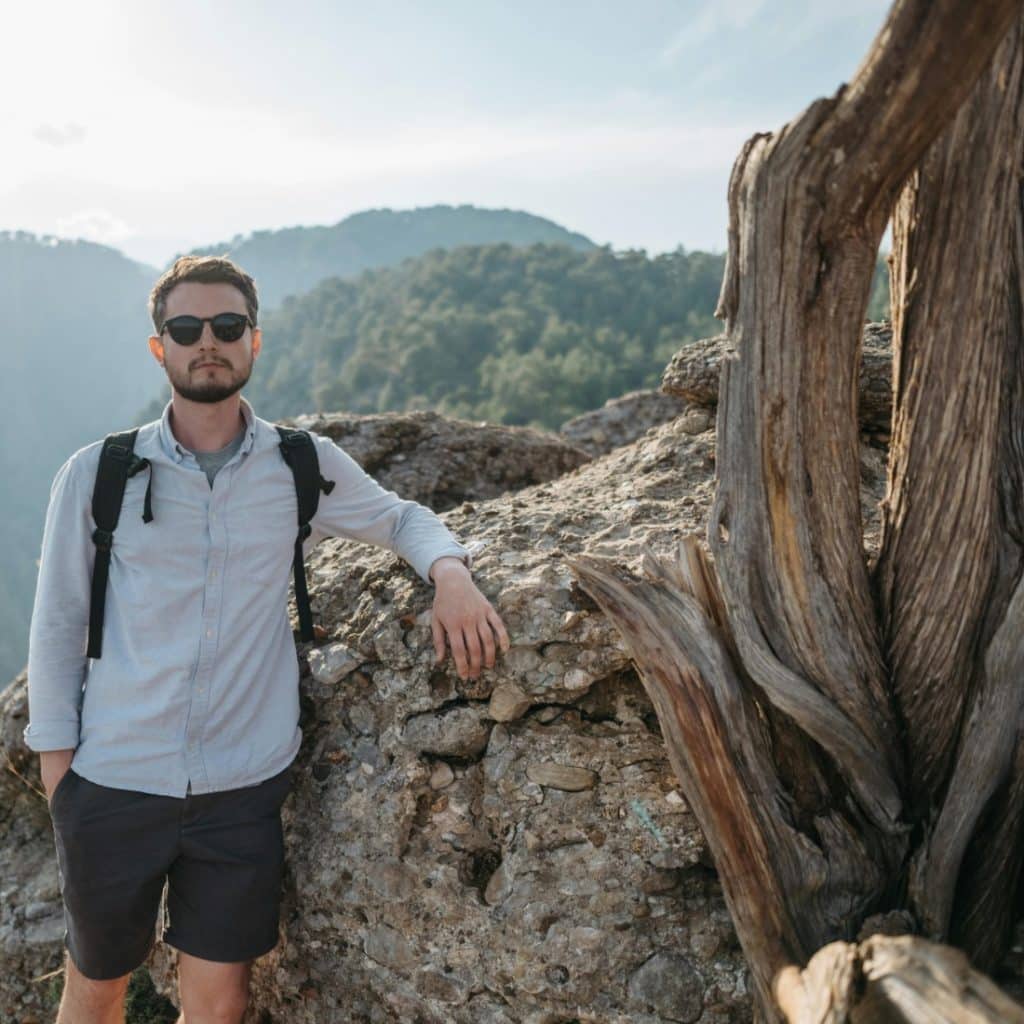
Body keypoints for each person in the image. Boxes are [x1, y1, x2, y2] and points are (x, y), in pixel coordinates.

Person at [24, 254, 510, 1024]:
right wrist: (64, 787)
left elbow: (400, 518)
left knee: (218, 1008)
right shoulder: (99, 473)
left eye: (227, 326)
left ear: (256, 340)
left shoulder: (297, 463)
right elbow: (55, 625)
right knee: (97, 990)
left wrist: (452, 576)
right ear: (161, 347)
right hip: (114, 779)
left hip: (239, 789)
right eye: (187, 328)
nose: (207, 341)